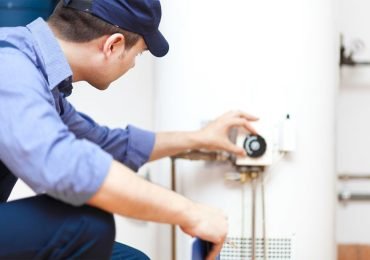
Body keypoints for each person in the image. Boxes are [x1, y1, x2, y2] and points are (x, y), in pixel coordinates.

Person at [0, 0, 258, 259]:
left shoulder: (38, 76)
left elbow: (103, 145)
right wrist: (189, 212)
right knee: (86, 223)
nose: (134, 64)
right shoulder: (10, 62)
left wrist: (199, 138)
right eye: (139, 54)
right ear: (113, 45)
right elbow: (63, 165)